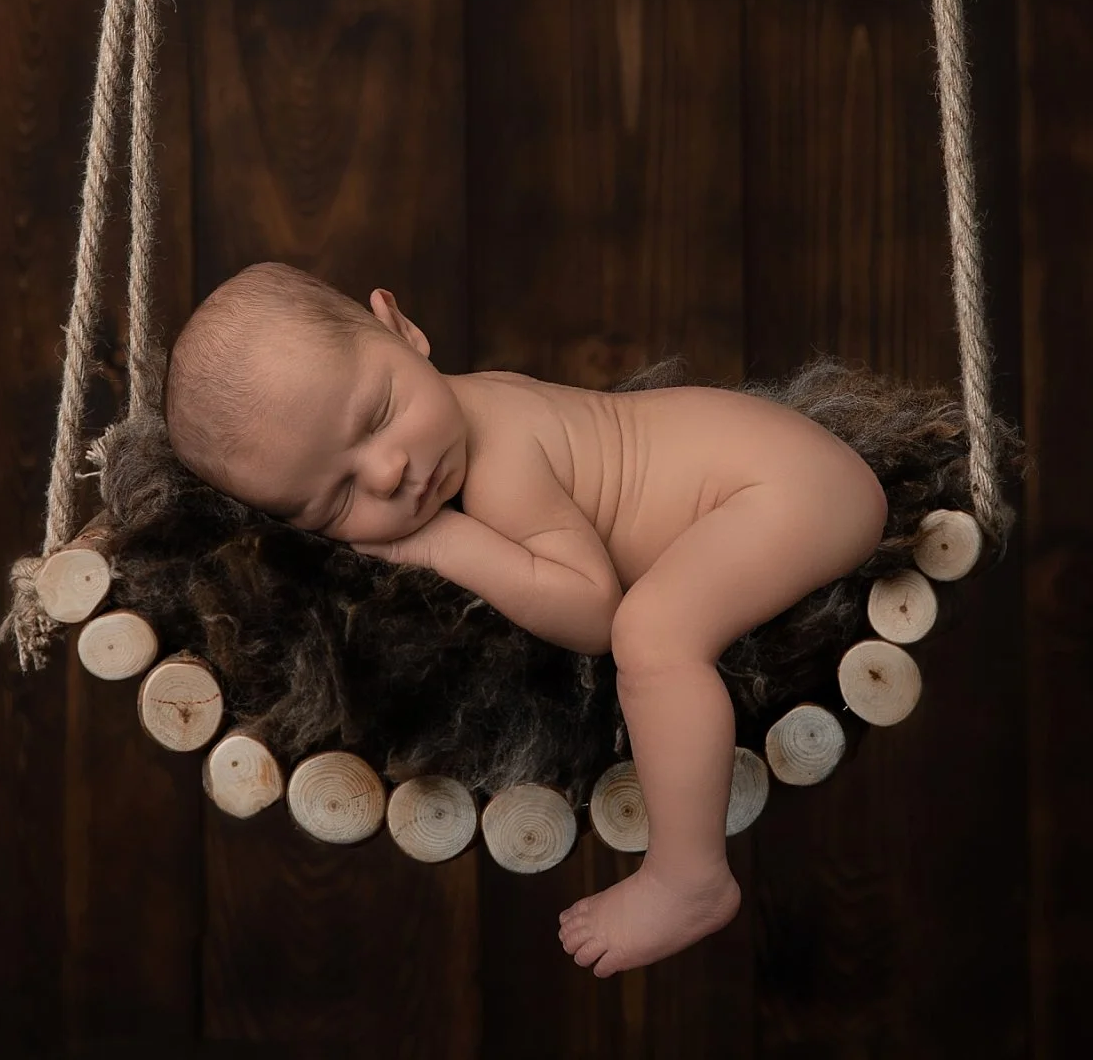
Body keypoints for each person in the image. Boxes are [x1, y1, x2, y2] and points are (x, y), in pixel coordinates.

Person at [165, 261, 886, 977]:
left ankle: (687, 876)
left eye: (381, 413)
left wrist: (445, 541)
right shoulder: (463, 406)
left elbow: (591, 610)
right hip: (788, 473)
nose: (388, 472)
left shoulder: (498, 457)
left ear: (402, 329)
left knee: (651, 634)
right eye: (336, 497)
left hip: (789, 490)